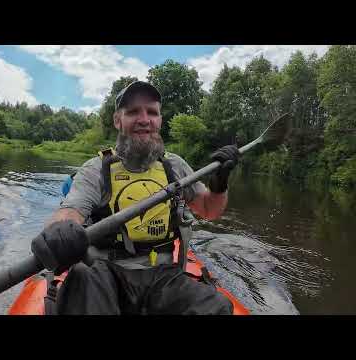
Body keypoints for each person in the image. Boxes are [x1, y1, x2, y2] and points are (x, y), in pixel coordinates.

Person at [31, 81, 240, 315]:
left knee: (217, 307)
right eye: (133, 112)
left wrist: (220, 184)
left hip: (163, 278)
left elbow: (209, 209)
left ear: (160, 120)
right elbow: (70, 211)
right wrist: (60, 230)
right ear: (117, 120)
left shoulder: (175, 166)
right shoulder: (96, 168)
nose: (144, 119)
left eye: (152, 112)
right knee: (81, 278)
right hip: (106, 274)